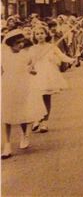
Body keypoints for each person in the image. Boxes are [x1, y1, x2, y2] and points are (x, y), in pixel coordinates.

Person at [1, 30, 46, 159]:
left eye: (21, 42)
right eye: (17, 43)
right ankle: (7, 145)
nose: (20, 45)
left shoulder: (25, 55)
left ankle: (24, 134)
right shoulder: (3, 54)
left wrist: (31, 70)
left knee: (22, 112)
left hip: (23, 85)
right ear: (10, 43)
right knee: (6, 115)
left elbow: (32, 71)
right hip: (7, 86)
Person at [30, 25, 76, 133]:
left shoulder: (51, 46)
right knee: (36, 98)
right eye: (37, 34)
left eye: (42, 33)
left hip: (48, 75)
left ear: (46, 34)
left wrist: (71, 60)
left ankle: (44, 123)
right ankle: (37, 119)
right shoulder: (32, 48)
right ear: (34, 36)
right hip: (37, 75)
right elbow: (28, 61)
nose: (40, 36)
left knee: (46, 98)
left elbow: (61, 56)